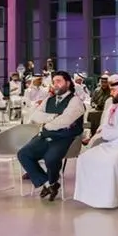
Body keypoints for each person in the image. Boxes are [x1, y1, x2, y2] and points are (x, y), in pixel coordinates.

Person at [74, 78, 118, 208]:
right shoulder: (113, 109)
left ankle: (109, 201)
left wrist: (115, 133)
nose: (111, 93)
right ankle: (92, 198)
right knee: (84, 158)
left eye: (113, 90)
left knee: (109, 162)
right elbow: (105, 132)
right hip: (110, 144)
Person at [18, 71, 86, 201]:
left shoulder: (75, 101)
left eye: (59, 81)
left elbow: (65, 120)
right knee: (23, 154)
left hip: (65, 138)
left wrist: (47, 124)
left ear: (68, 83)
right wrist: (53, 117)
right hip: (45, 136)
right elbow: (35, 116)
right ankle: (48, 184)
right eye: (54, 82)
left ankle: (52, 182)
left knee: (50, 158)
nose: (55, 84)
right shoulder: (49, 100)